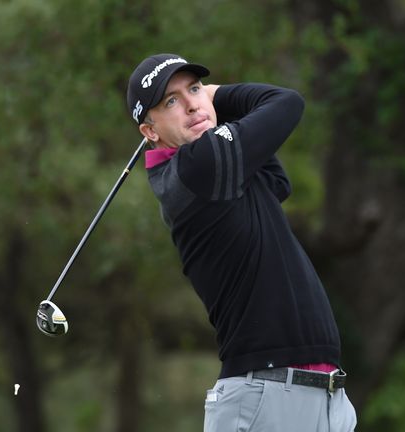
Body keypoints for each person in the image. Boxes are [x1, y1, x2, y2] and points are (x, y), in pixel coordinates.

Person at [126, 53, 357, 431]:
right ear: (150, 132)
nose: (191, 103)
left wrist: (205, 108)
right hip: (266, 398)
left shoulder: (222, 171)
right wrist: (217, 96)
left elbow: (278, 184)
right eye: (171, 101)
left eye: (195, 88)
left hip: (324, 398)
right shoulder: (199, 168)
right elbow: (286, 103)